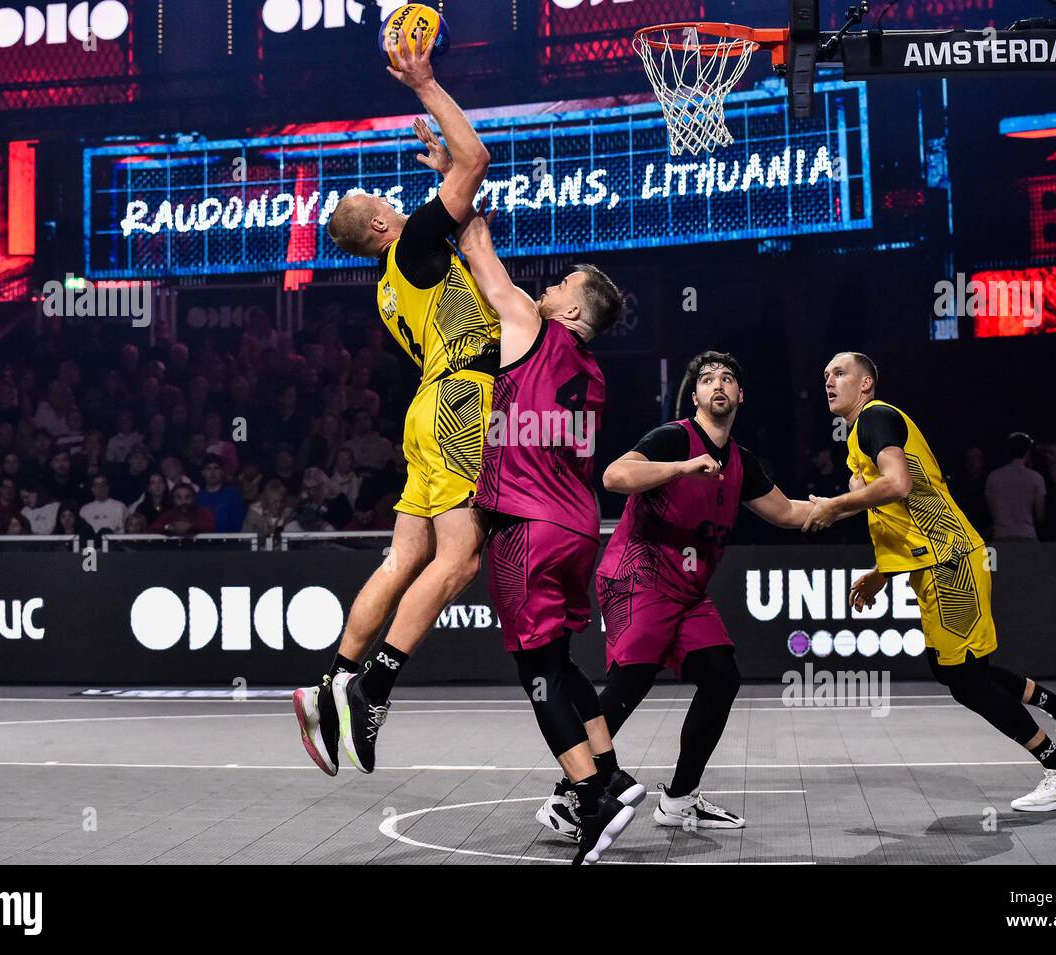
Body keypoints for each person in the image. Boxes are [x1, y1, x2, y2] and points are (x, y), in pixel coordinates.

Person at [294, 35, 499, 775]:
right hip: (458, 404)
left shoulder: (391, 279)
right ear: (382, 226)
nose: (396, 201)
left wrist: (450, 173)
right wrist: (427, 85)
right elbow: (477, 162)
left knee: (404, 556)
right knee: (459, 559)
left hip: (426, 410)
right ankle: (373, 691)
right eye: (385, 203)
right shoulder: (411, 244)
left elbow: (470, 212)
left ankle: (329, 685)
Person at [804, 352, 1056, 811]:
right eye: (825, 375)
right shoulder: (862, 435)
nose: (829, 381)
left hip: (950, 563)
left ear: (866, 384)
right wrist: (883, 574)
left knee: (963, 678)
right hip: (940, 562)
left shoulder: (875, 418)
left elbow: (898, 484)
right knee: (954, 669)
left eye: (840, 373)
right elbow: (906, 509)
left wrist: (834, 506)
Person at [543, 351, 816, 835]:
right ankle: (568, 798)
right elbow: (614, 476)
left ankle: (680, 799)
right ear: (695, 396)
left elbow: (791, 514)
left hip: (687, 593)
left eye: (728, 378)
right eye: (708, 379)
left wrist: (851, 501)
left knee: (721, 677)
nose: (719, 385)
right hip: (639, 576)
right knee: (631, 682)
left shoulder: (742, 463)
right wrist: (683, 468)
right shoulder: (673, 438)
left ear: (740, 396)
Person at [454, 204, 638, 863]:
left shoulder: (532, 326)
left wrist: (461, 190)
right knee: (559, 663)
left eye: (564, 283)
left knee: (536, 674)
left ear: (572, 313)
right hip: (577, 528)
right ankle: (611, 771)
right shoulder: (592, 372)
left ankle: (591, 802)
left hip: (527, 525)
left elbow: (479, 256)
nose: (551, 286)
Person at [984, 431, 1046, 541]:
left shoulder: (993, 477)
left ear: (1008, 450)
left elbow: (991, 510)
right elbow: (1039, 515)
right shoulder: (1036, 478)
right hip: (1027, 535)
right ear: (1027, 451)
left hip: (1001, 535)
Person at [195, 455, 247, 533]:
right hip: (203, 542)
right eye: (208, 468)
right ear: (203, 473)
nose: (212, 473)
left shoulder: (233, 495)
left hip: (230, 542)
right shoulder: (198, 497)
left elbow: (237, 524)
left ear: (222, 471)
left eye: (216, 468)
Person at [150, 482, 215, 537]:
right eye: (179, 497)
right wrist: (169, 527)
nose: (183, 501)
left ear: (194, 498)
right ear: (173, 500)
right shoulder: (168, 514)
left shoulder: (203, 513)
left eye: (187, 497)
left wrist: (191, 526)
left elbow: (211, 528)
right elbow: (153, 530)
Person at [80, 474, 127, 539]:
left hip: (114, 545)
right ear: (92, 489)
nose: (100, 488)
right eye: (97, 485)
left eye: (103, 485)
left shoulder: (120, 506)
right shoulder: (84, 509)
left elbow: (125, 529)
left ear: (108, 487)